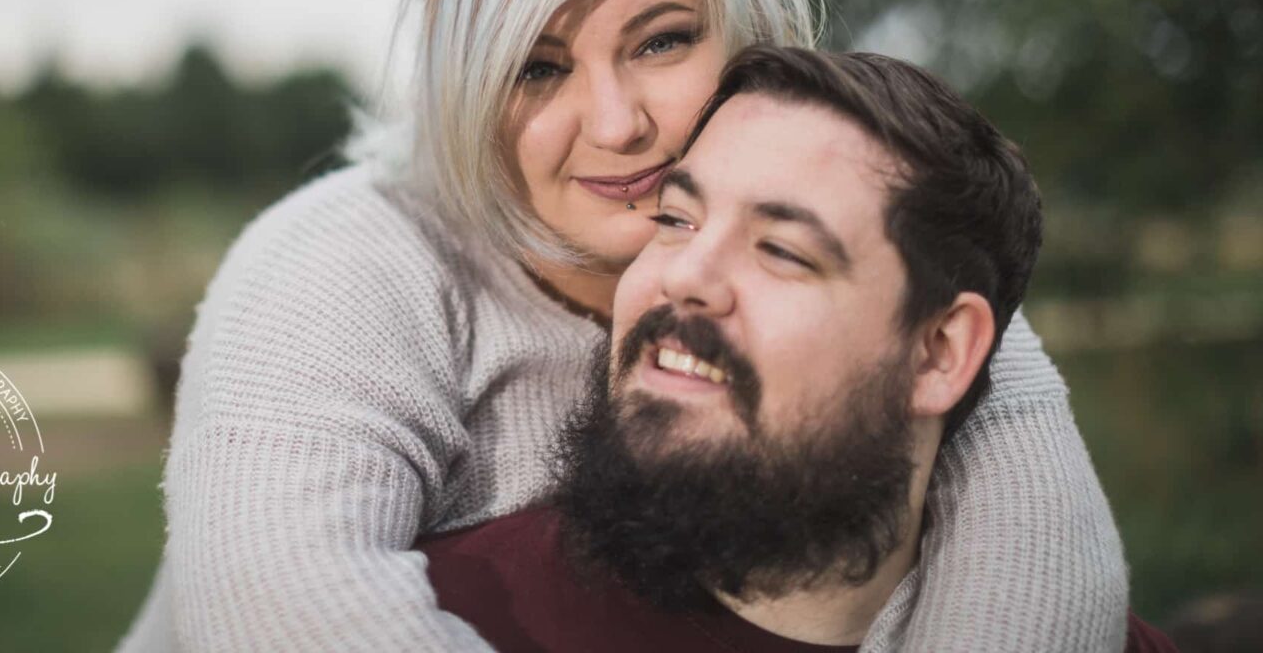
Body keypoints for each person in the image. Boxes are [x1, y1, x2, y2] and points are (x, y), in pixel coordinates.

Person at [114, 0, 1127, 652]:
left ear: (749, 29)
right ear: (462, 79)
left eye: (660, 41)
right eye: (538, 66)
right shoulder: (344, 263)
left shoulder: (874, 267)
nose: (615, 124)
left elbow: (1041, 571)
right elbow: (284, 611)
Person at [421, 46, 1176, 652]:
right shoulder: (445, 614)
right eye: (676, 220)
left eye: (781, 250)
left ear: (939, 353)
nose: (683, 276)